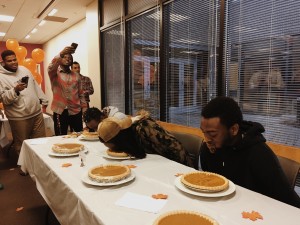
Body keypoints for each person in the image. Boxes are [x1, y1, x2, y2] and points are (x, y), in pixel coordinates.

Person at [199, 96, 300, 208]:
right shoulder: (208, 149)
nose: (207, 139)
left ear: (233, 129)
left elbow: (290, 204)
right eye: (204, 132)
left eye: (213, 134)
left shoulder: (260, 155)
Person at [97, 110, 194, 167]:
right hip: (157, 165)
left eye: (115, 147)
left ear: (120, 140)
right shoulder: (130, 135)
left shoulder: (145, 128)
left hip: (178, 166)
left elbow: (176, 150)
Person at [0, 50, 48, 155]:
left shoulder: (24, 69)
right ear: (3, 62)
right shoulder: (1, 77)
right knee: (22, 145)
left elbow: (34, 85)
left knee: (40, 142)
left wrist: (43, 98)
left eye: (14, 59)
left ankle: (40, 165)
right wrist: (15, 90)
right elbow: (3, 98)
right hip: (19, 117)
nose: (13, 62)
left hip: (36, 113)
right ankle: (24, 169)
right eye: (9, 61)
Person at [47, 46, 87, 135]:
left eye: (70, 58)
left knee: (79, 135)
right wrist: (60, 54)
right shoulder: (54, 73)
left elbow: (81, 93)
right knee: (60, 136)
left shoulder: (76, 76)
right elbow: (51, 66)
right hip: (60, 111)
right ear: (60, 59)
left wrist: (84, 109)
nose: (68, 59)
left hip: (75, 110)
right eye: (65, 57)